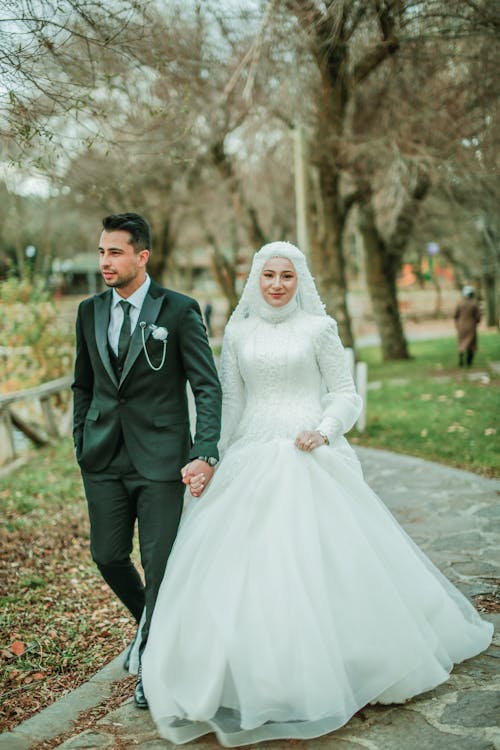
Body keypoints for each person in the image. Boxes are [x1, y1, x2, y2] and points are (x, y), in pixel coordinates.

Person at [142, 242, 493, 746]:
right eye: (269, 276)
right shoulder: (238, 332)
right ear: (255, 280)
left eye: (287, 275)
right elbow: (231, 402)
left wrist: (326, 429)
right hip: (250, 451)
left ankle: (345, 662)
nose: (278, 284)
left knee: (320, 560)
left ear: (299, 280)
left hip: (309, 449)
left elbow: (346, 394)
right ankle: (252, 671)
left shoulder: (320, 329)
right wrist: (211, 456)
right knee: (244, 565)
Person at [72, 212, 222, 709]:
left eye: (114, 252)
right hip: (103, 458)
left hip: (161, 461)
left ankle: (153, 665)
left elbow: (206, 384)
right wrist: (80, 441)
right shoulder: (89, 311)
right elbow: (84, 385)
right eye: (101, 252)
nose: (105, 262)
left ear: (142, 256)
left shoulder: (178, 311)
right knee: (108, 555)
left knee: (158, 566)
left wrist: (205, 449)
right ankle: (152, 628)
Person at [454, 285, 481, 367]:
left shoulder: (460, 303)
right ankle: (469, 362)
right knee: (471, 344)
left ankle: (461, 357)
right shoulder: (474, 303)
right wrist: (477, 321)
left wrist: (458, 324)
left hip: (461, 325)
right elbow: (478, 316)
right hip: (471, 325)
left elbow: (455, 315)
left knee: (461, 343)